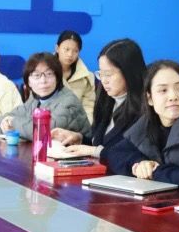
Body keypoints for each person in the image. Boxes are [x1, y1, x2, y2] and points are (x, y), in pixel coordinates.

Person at [107, 60, 179, 190]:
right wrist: (140, 164)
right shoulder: (149, 121)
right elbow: (115, 152)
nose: (173, 96)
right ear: (149, 98)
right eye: (163, 90)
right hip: (165, 198)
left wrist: (154, 171)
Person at [58, 38, 147, 169]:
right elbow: (102, 142)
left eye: (108, 74)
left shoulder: (146, 109)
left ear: (129, 72)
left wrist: (94, 151)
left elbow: (132, 156)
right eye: (101, 74)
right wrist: (81, 139)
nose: (104, 80)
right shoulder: (106, 99)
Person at [0, 52, 90, 141]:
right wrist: (5, 121)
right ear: (28, 82)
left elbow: (42, 132)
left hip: (81, 151)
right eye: (37, 75)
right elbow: (2, 121)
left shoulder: (69, 101)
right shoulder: (35, 98)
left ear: (58, 78)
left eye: (49, 74)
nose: (43, 81)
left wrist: (12, 122)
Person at [56, 29, 95, 117]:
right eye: (66, 49)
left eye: (75, 51)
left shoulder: (87, 77)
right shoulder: (45, 72)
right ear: (57, 48)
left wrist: (85, 124)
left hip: (77, 122)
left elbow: (88, 106)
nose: (70, 54)